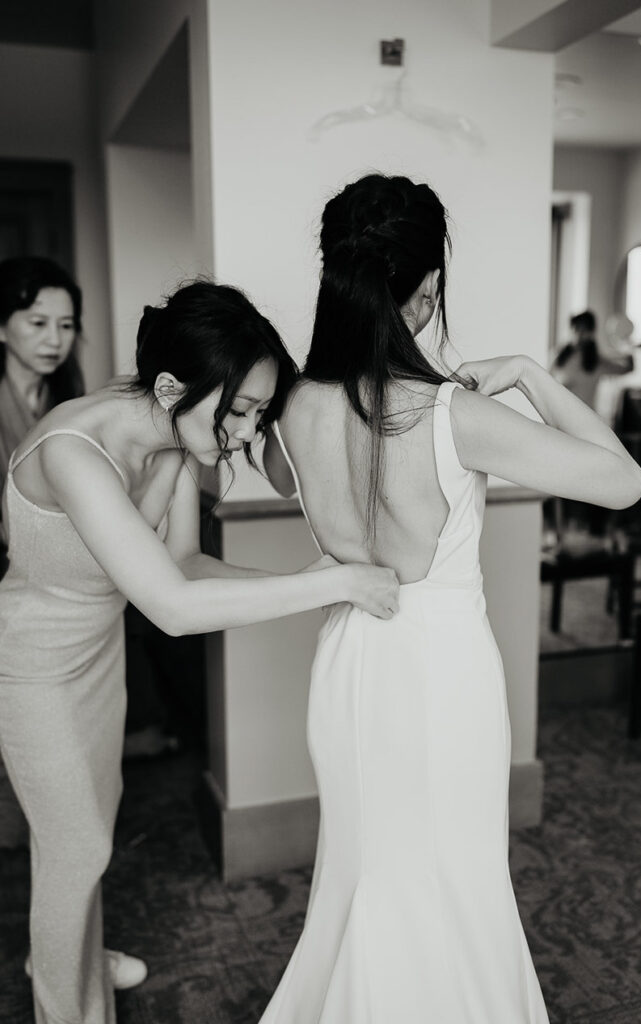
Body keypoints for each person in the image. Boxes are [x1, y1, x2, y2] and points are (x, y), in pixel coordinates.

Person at [261, 173, 641, 1023]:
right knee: (451, 877)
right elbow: (624, 480)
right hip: (440, 674)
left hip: (350, 662)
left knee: (362, 866)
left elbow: (268, 470)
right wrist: (530, 376)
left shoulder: (290, 406)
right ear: (427, 288)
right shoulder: (449, 414)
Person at [0, 280, 399, 1024]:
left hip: (97, 654)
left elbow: (181, 565)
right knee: (75, 847)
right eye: (240, 411)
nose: (248, 434)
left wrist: (304, 579)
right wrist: (332, 583)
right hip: (31, 666)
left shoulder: (174, 442)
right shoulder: (71, 451)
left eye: (257, 413)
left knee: (95, 824)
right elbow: (172, 609)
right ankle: (68, 1007)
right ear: (170, 385)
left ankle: (75, 957)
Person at [0, 256, 85, 576]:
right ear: (2, 328)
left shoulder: (70, 405)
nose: (54, 340)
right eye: (38, 323)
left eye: (66, 325)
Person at [550, 309, 634, 412]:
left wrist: (626, 341)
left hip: (583, 419)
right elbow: (546, 385)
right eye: (576, 328)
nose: (579, 334)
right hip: (557, 416)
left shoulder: (597, 362)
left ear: (591, 333)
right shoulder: (558, 356)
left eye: (584, 330)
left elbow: (627, 368)